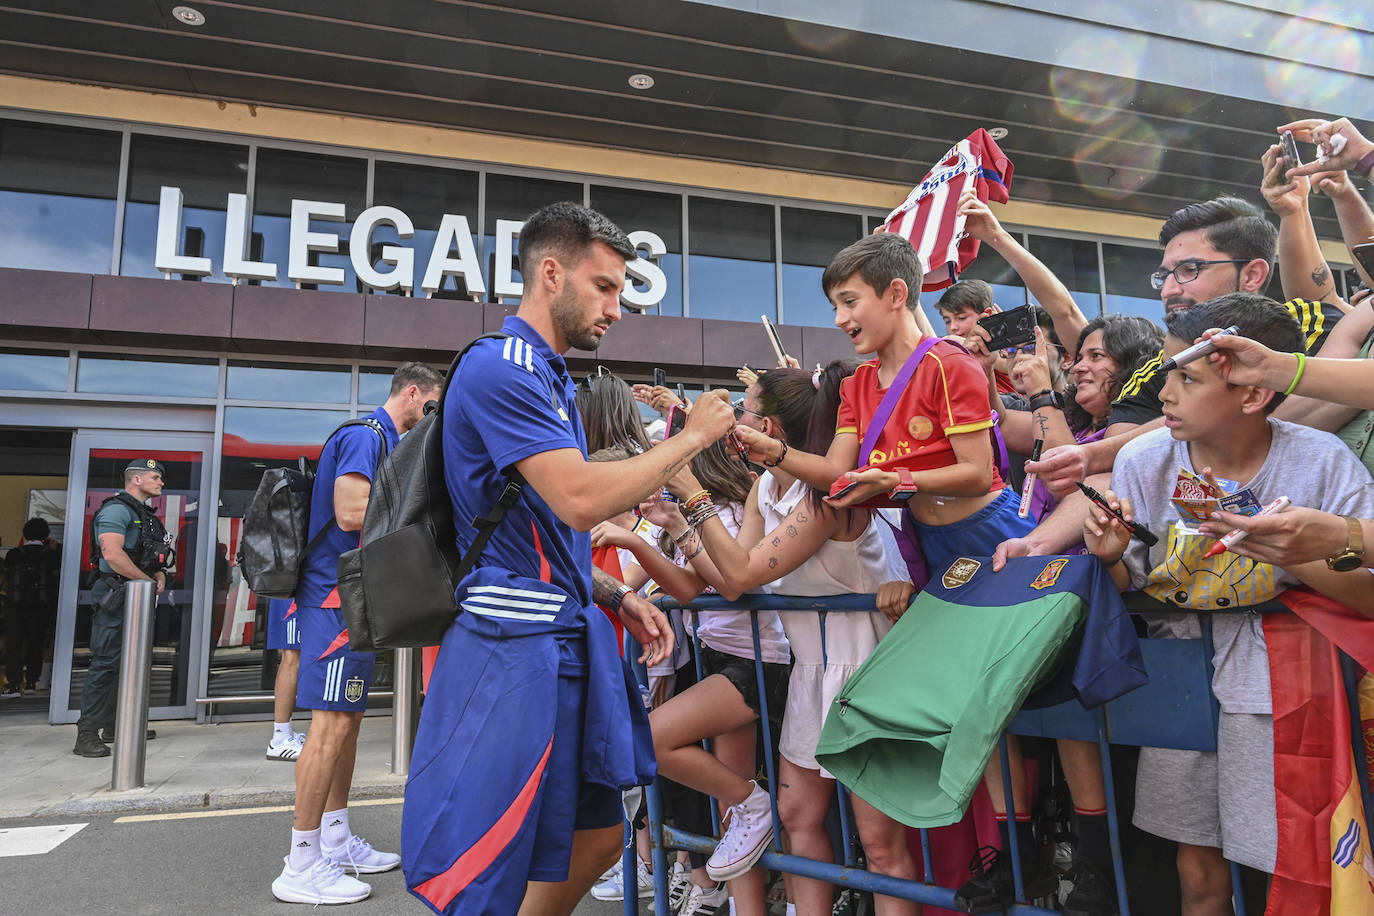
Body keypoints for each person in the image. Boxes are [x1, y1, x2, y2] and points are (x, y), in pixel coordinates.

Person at [401, 201, 735, 916]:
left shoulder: (550, 376)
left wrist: (613, 594)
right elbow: (581, 500)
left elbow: (543, 525)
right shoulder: (503, 367)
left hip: (564, 631)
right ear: (550, 273)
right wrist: (690, 438)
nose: (617, 307)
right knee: (485, 862)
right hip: (509, 647)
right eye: (605, 286)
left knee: (597, 837)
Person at [1082, 293, 1374, 914]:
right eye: (1166, 373)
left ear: (1253, 390)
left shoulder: (1322, 462)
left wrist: (1291, 554)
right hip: (1177, 680)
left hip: (1290, 690)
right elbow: (1130, 586)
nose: (1165, 394)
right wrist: (1108, 556)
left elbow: (1369, 597)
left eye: (1187, 377)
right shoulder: (1143, 458)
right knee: (1196, 868)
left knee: (1290, 859)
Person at [665, 362, 921, 916]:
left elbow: (738, 575)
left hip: (868, 674)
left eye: (746, 409)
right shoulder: (763, 485)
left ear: (773, 428)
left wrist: (690, 492)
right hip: (812, 672)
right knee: (800, 820)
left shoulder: (829, 495)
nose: (737, 418)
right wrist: (679, 522)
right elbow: (731, 575)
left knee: (880, 845)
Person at [270, 361, 444, 905]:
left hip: (353, 600)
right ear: (412, 394)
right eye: (432, 407)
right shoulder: (366, 436)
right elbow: (350, 512)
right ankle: (300, 862)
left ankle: (336, 838)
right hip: (331, 603)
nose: (433, 418)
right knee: (329, 728)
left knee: (345, 725)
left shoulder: (384, 441)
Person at [73, 459, 175, 758]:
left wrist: (157, 574)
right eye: (155, 477)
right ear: (136, 480)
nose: (161, 483)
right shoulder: (117, 510)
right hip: (116, 594)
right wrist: (145, 580)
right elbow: (113, 555)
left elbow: (147, 554)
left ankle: (118, 725)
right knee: (106, 663)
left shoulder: (143, 514)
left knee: (130, 662)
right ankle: (87, 733)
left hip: (135, 594)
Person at [2, 517, 58, 698]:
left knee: (14, 645)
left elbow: (9, 579)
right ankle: (32, 682)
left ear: (25, 534)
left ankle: (13, 684)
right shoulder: (50, 555)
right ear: (45, 534)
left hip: (15, 606)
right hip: (39, 607)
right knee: (36, 644)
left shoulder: (13, 554)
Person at [264, 597, 307, 761]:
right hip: (292, 585)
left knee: (293, 654)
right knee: (292, 655)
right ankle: (280, 738)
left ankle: (283, 734)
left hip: (297, 584)